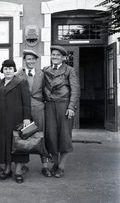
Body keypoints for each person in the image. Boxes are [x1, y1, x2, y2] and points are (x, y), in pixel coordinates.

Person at [42, 45, 80, 178]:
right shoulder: (45, 70)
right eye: (53, 55)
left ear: (64, 58)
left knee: (64, 137)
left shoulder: (70, 70)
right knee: (51, 136)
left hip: (64, 106)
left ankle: (61, 167)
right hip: (50, 106)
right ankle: (55, 163)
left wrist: (71, 107)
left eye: (58, 55)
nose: (55, 57)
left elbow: (75, 90)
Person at [0, 59, 31, 184]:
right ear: (2, 70)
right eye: (5, 68)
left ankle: (18, 172)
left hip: (17, 119)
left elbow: (26, 101)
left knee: (17, 144)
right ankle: (7, 170)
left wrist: (26, 118)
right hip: (1, 120)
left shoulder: (21, 82)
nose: (8, 71)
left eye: (10, 68)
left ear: (14, 70)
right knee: (5, 145)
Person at [15, 49, 51, 177]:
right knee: (24, 135)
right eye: (28, 59)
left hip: (38, 107)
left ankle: (45, 165)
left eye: (33, 59)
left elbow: (48, 90)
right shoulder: (19, 74)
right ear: (24, 60)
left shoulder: (43, 74)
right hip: (23, 109)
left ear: (36, 61)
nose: (31, 61)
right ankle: (24, 165)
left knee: (41, 135)